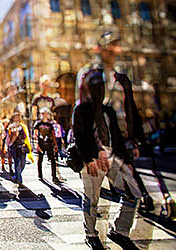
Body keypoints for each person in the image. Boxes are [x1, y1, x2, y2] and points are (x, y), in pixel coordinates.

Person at [74, 26, 145, 250]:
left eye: (116, 44)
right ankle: (91, 233)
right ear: (99, 48)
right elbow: (82, 118)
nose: (114, 49)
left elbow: (130, 112)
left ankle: (120, 230)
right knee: (92, 198)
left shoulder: (121, 80)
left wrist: (132, 141)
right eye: (109, 45)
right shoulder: (89, 76)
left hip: (115, 149)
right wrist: (91, 154)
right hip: (95, 151)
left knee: (133, 193)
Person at [34, 107, 62, 184]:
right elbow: (35, 135)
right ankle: (40, 175)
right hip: (41, 143)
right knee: (40, 160)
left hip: (49, 144)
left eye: (46, 114)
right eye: (43, 114)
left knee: (53, 160)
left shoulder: (50, 124)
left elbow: (53, 135)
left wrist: (55, 145)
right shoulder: (38, 124)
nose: (45, 115)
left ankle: (54, 176)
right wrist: (36, 144)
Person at [7, 112, 32, 186]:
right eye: (16, 116)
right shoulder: (11, 127)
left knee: (23, 163)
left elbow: (27, 136)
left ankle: (16, 176)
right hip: (14, 147)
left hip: (22, 146)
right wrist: (14, 137)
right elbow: (10, 137)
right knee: (17, 162)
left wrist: (29, 145)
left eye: (19, 116)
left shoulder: (23, 126)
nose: (18, 118)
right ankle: (19, 179)